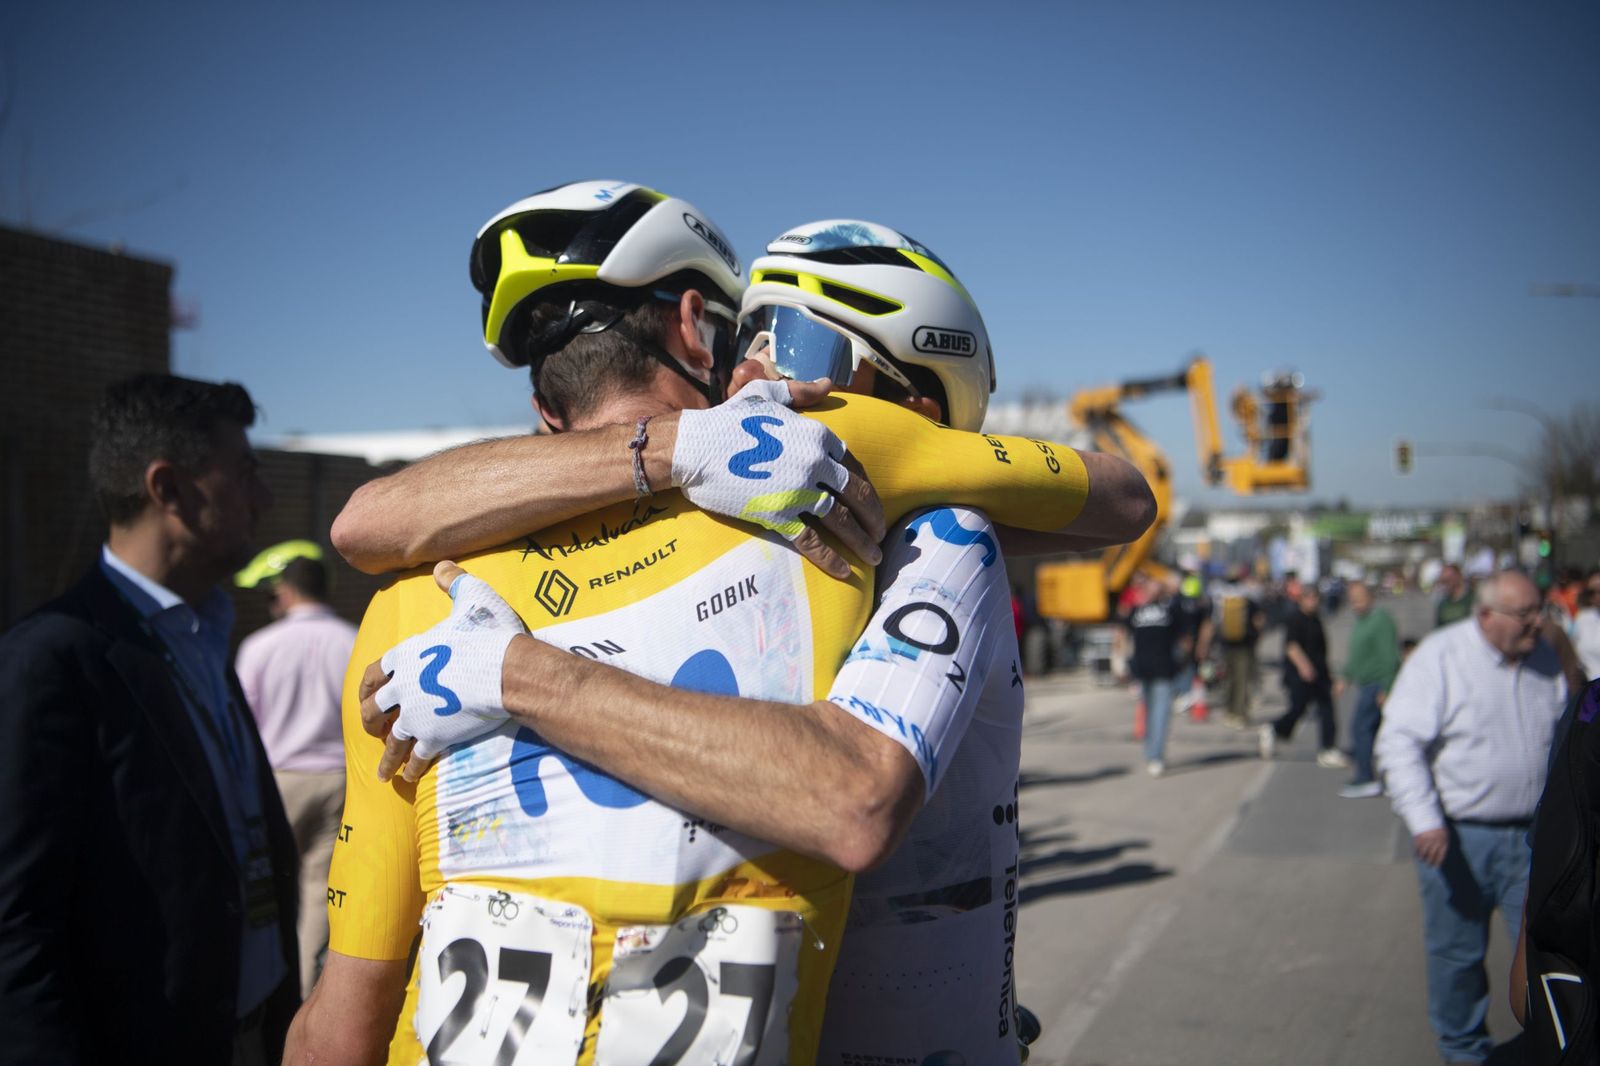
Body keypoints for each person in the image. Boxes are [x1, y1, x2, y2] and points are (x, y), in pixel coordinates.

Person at [286, 190, 1154, 1065]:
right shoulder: (828, 455)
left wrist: (515, 667)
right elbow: (1120, 495)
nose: (762, 372)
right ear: (698, 328)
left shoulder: (422, 594)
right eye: (747, 338)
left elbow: (340, 1017)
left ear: (545, 409)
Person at [0, 373, 299, 1065]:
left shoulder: (203, 633)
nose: (265, 498)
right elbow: (17, 925)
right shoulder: (53, 658)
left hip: (254, 1030)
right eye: (245, 474)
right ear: (168, 490)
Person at [1375, 570, 1568, 1065]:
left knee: (1549, 956)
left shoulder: (1545, 657)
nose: (1536, 623)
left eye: (1538, 610)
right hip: (1461, 839)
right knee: (1457, 960)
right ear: (1486, 616)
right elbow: (1398, 742)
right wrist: (1424, 819)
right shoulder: (1442, 658)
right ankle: (1464, 1054)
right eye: (1524, 614)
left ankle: (1557, 1045)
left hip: (1535, 840)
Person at [235, 543, 358, 995]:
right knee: (319, 892)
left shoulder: (258, 647)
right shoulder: (355, 639)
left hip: (277, 782)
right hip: (338, 780)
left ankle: (262, 985)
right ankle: (306, 990)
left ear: (285, 592)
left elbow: (242, 724)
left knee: (265, 892)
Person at [1259, 583, 1347, 768]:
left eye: (1316, 598)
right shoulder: (1295, 619)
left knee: (1327, 711)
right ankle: (1273, 729)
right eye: (1309, 597)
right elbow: (1291, 646)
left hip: (1320, 674)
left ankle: (1328, 748)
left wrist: (1330, 675)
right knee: (1297, 710)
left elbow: (1322, 650)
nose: (1313, 601)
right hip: (1300, 675)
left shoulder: (1316, 619)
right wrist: (1304, 666)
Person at [1334, 581, 1399, 799]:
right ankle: (1383, 777)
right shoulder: (1362, 621)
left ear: (1370, 597)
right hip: (1365, 684)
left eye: (1359, 599)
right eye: (1352, 600)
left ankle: (1366, 777)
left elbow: (1389, 657)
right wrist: (1345, 676)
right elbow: (1357, 656)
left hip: (1376, 684)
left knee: (1360, 729)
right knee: (1374, 733)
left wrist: (1387, 687)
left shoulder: (1380, 621)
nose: (1356, 604)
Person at [1123, 573, 1183, 776]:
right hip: (1143, 670)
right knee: (1148, 713)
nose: (1147, 588)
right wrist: (1122, 662)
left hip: (1164, 670)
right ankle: (1151, 753)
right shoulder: (1135, 610)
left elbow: (1183, 637)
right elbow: (1122, 632)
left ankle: (1156, 756)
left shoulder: (1171, 609)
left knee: (1161, 714)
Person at [1214, 564, 1265, 729]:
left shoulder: (1219, 596)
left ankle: (1229, 711)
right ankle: (1240, 713)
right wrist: (1258, 638)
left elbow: (1213, 622)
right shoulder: (1247, 596)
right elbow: (1258, 619)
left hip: (1226, 644)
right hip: (1244, 644)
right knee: (1242, 680)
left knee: (1228, 679)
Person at [1436, 563, 1473, 628]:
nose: (1445, 585)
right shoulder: (1442, 605)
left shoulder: (1472, 600)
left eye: (1449, 579)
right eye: (1443, 581)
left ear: (1459, 576)